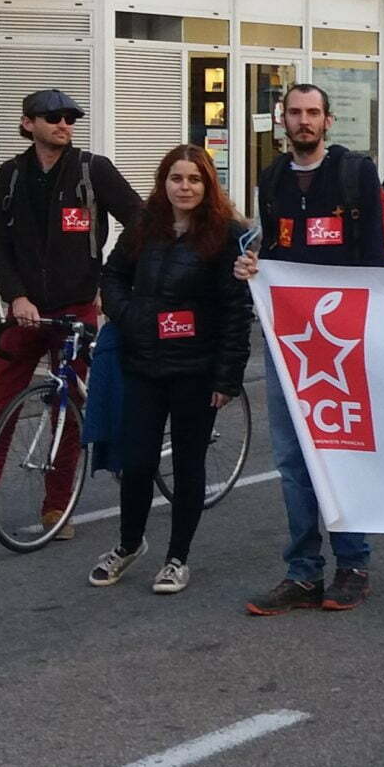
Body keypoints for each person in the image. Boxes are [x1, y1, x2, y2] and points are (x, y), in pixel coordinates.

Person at [0, 88, 142, 547]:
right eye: (52, 117)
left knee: (66, 409)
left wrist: (107, 277)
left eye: (69, 118)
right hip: (26, 312)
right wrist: (16, 297)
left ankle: (57, 506)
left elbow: (140, 218)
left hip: (76, 308)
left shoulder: (91, 170)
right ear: (27, 124)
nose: (63, 124)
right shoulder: (12, 175)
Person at [233, 83, 384, 617]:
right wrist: (255, 265)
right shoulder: (272, 177)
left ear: (328, 121)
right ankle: (302, 572)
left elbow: (374, 255)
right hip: (289, 340)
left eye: (313, 113)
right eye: (295, 113)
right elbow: (275, 249)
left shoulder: (354, 173)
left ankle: (353, 565)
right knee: (291, 458)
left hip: (343, 338)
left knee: (342, 450)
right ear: (282, 121)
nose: (303, 121)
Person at [88, 146, 254, 594]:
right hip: (143, 364)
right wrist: (130, 315)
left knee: (187, 463)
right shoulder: (144, 226)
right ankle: (128, 545)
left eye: (195, 180)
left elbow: (237, 312)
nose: (185, 187)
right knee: (137, 461)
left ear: (208, 185)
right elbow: (113, 275)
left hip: (197, 370)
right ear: (164, 183)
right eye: (177, 178)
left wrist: (227, 378)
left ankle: (176, 558)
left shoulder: (226, 235)